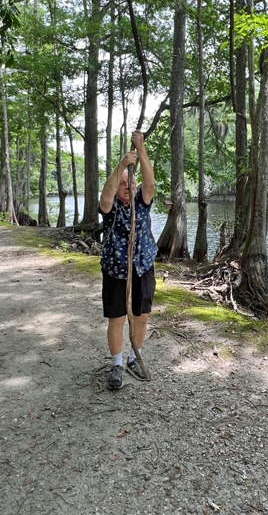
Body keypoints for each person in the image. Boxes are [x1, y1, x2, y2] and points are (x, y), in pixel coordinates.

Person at [99, 130, 158, 390]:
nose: (126, 188)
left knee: (141, 315)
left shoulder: (141, 203)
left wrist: (141, 149)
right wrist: (122, 165)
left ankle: (135, 357)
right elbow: (106, 195)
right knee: (117, 319)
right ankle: (117, 364)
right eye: (123, 184)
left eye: (128, 184)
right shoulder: (111, 211)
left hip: (142, 265)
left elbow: (150, 184)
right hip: (116, 268)